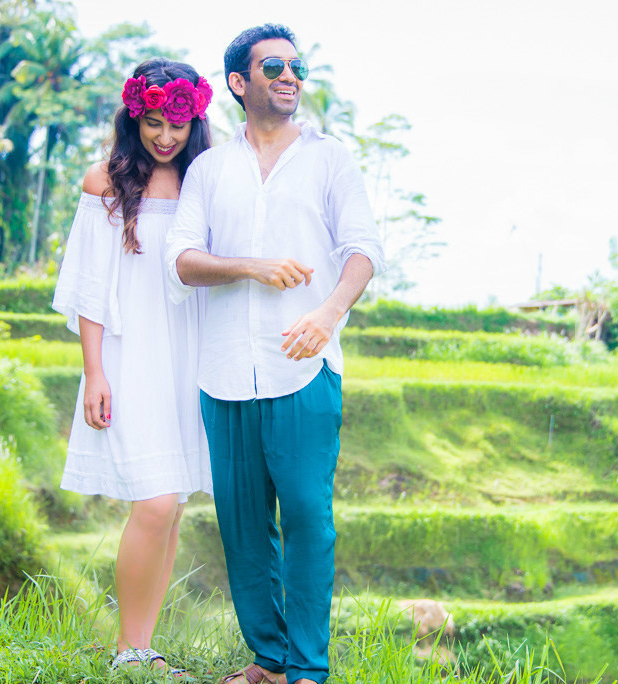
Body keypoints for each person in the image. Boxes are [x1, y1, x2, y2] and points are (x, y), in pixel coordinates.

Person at [164, 24, 384, 684]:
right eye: (273, 67)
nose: (290, 76)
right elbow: (182, 259)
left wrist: (327, 313)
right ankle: (269, 658)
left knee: (309, 520)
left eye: (296, 66)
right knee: (241, 526)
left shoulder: (329, 159)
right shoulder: (208, 169)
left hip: (304, 370)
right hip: (225, 372)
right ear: (239, 83)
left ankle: (307, 669)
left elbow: (363, 251)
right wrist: (252, 267)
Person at [51, 57, 214, 674]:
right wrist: (94, 372)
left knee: (171, 506)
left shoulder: (203, 183)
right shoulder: (105, 181)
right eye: (153, 122)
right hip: (128, 354)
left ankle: (142, 646)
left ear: (195, 119)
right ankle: (129, 650)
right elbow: (90, 286)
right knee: (153, 501)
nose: (165, 136)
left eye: (177, 123)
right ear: (135, 117)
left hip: (188, 356)